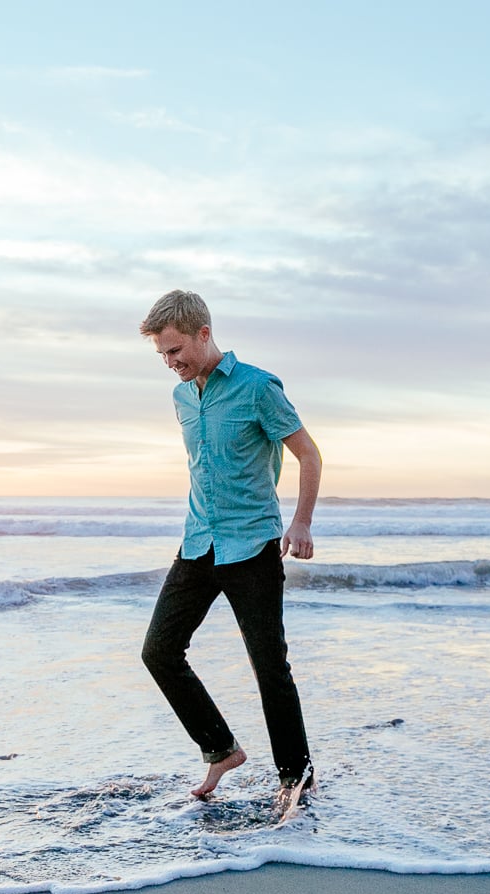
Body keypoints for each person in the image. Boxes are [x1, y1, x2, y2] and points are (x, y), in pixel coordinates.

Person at [138, 290, 323, 816]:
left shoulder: (258, 387)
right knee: (159, 651)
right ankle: (221, 749)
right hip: (198, 541)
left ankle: (297, 778)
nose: (171, 364)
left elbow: (308, 455)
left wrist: (302, 521)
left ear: (203, 333)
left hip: (252, 546)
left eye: (176, 351)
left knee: (270, 667)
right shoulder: (182, 398)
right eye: (163, 356)